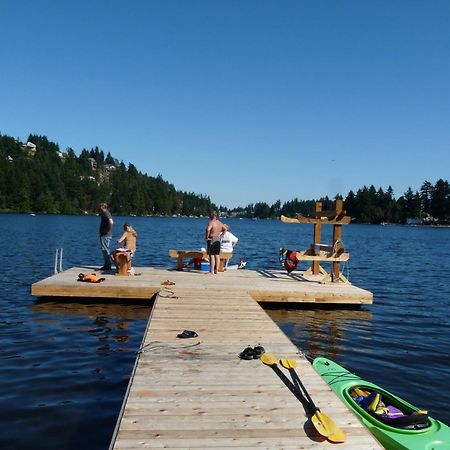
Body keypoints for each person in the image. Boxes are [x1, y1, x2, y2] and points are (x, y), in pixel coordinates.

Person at [99, 203, 113, 270]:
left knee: (105, 249)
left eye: (100, 206)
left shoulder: (106, 213)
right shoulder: (103, 214)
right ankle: (106, 265)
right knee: (104, 249)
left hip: (106, 235)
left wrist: (107, 230)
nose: (99, 208)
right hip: (103, 235)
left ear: (103, 207)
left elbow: (111, 222)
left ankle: (108, 266)